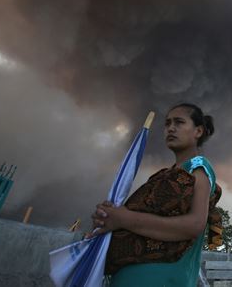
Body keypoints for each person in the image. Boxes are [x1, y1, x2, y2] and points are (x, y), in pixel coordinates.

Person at [89, 103, 219, 287]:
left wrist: (124, 219)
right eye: (167, 124)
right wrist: (109, 217)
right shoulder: (164, 175)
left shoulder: (198, 167)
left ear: (198, 131)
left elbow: (195, 224)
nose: (171, 128)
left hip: (161, 278)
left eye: (179, 122)